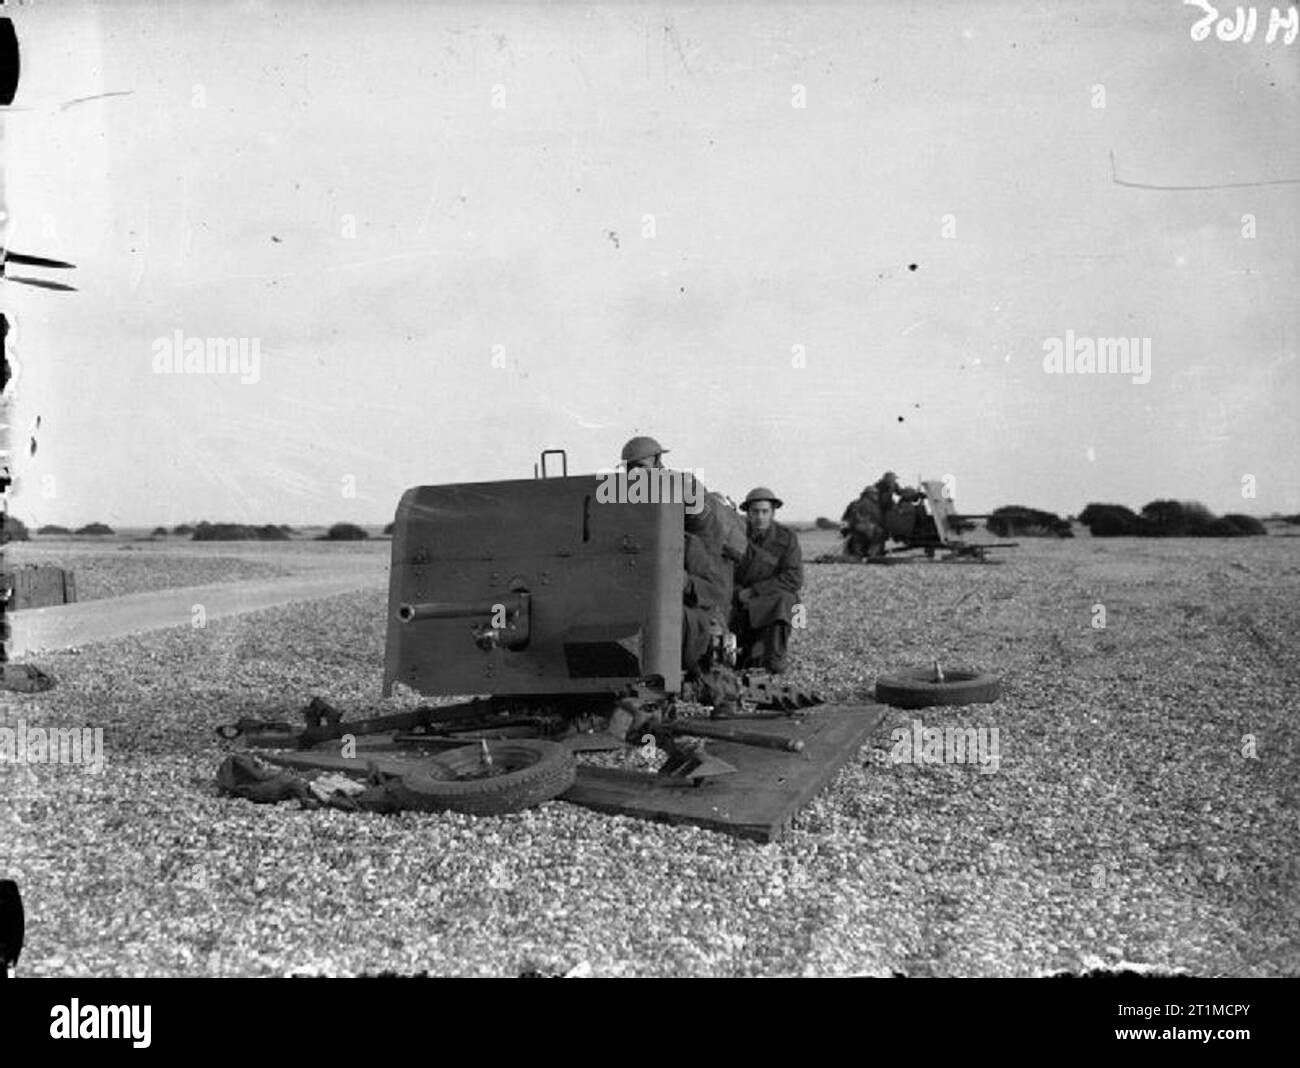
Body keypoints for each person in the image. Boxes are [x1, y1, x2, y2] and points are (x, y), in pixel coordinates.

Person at [620, 436, 745, 714]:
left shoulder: (683, 486)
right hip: (678, 555)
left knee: (711, 626)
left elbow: (704, 532)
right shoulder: (634, 488)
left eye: (640, 466)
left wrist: (689, 578)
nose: (635, 473)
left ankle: (725, 697)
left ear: (657, 463)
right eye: (631, 468)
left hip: (710, 553)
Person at [732, 487, 803, 673]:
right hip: (737, 598)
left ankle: (775, 658)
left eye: (765, 511)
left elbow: (794, 578)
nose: (760, 517)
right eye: (755, 511)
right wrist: (738, 593)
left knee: (785, 601)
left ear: (773, 513)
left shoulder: (786, 538)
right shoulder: (735, 534)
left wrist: (755, 591)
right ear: (747, 513)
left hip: (768, 598)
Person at [841, 471, 920, 559]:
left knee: (866, 538)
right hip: (865, 527)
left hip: (860, 527)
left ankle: (862, 555)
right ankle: (871, 555)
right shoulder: (873, 499)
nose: (876, 495)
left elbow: (899, 492)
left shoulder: (859, 503)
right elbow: (861, 517)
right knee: (878, 535)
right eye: (892, 479)